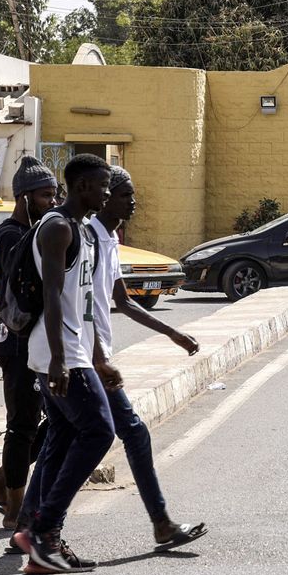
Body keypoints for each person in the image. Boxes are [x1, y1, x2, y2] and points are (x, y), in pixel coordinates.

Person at [86, 167, 208, 551]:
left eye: (132, 193)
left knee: (63, 437)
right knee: (127, 434)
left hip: (90, 354)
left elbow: (122, 300)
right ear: (105, 196)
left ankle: (27, 521)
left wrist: (172, 333)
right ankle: (161, 523)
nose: (132, 201)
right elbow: (77, 304)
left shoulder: (109, 237)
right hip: (83, 356)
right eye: (124, 194)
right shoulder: (87, 238)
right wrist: (97, 357)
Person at [13, 153, 115, 574]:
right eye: (103, 185)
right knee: (98, 431)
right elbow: (53, 295)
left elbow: (84, 304)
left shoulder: (82, 232)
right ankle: (45, 532)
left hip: (72, 349)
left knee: (63, 433)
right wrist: (59, 359)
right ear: (83, 186)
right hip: (57, 350)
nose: (108, 193)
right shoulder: (56, 227)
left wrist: (98, 357)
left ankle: (32, 529)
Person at [0, 157, 58, 532]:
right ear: (24, 198)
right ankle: (13, 507)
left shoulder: (36, 230)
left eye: (55, 194)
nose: (52, 202)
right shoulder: (11, 234)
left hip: (34, 340)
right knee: (21, 425)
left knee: (57, 420)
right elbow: (27, 283)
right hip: (16, 343)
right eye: (45, 195)